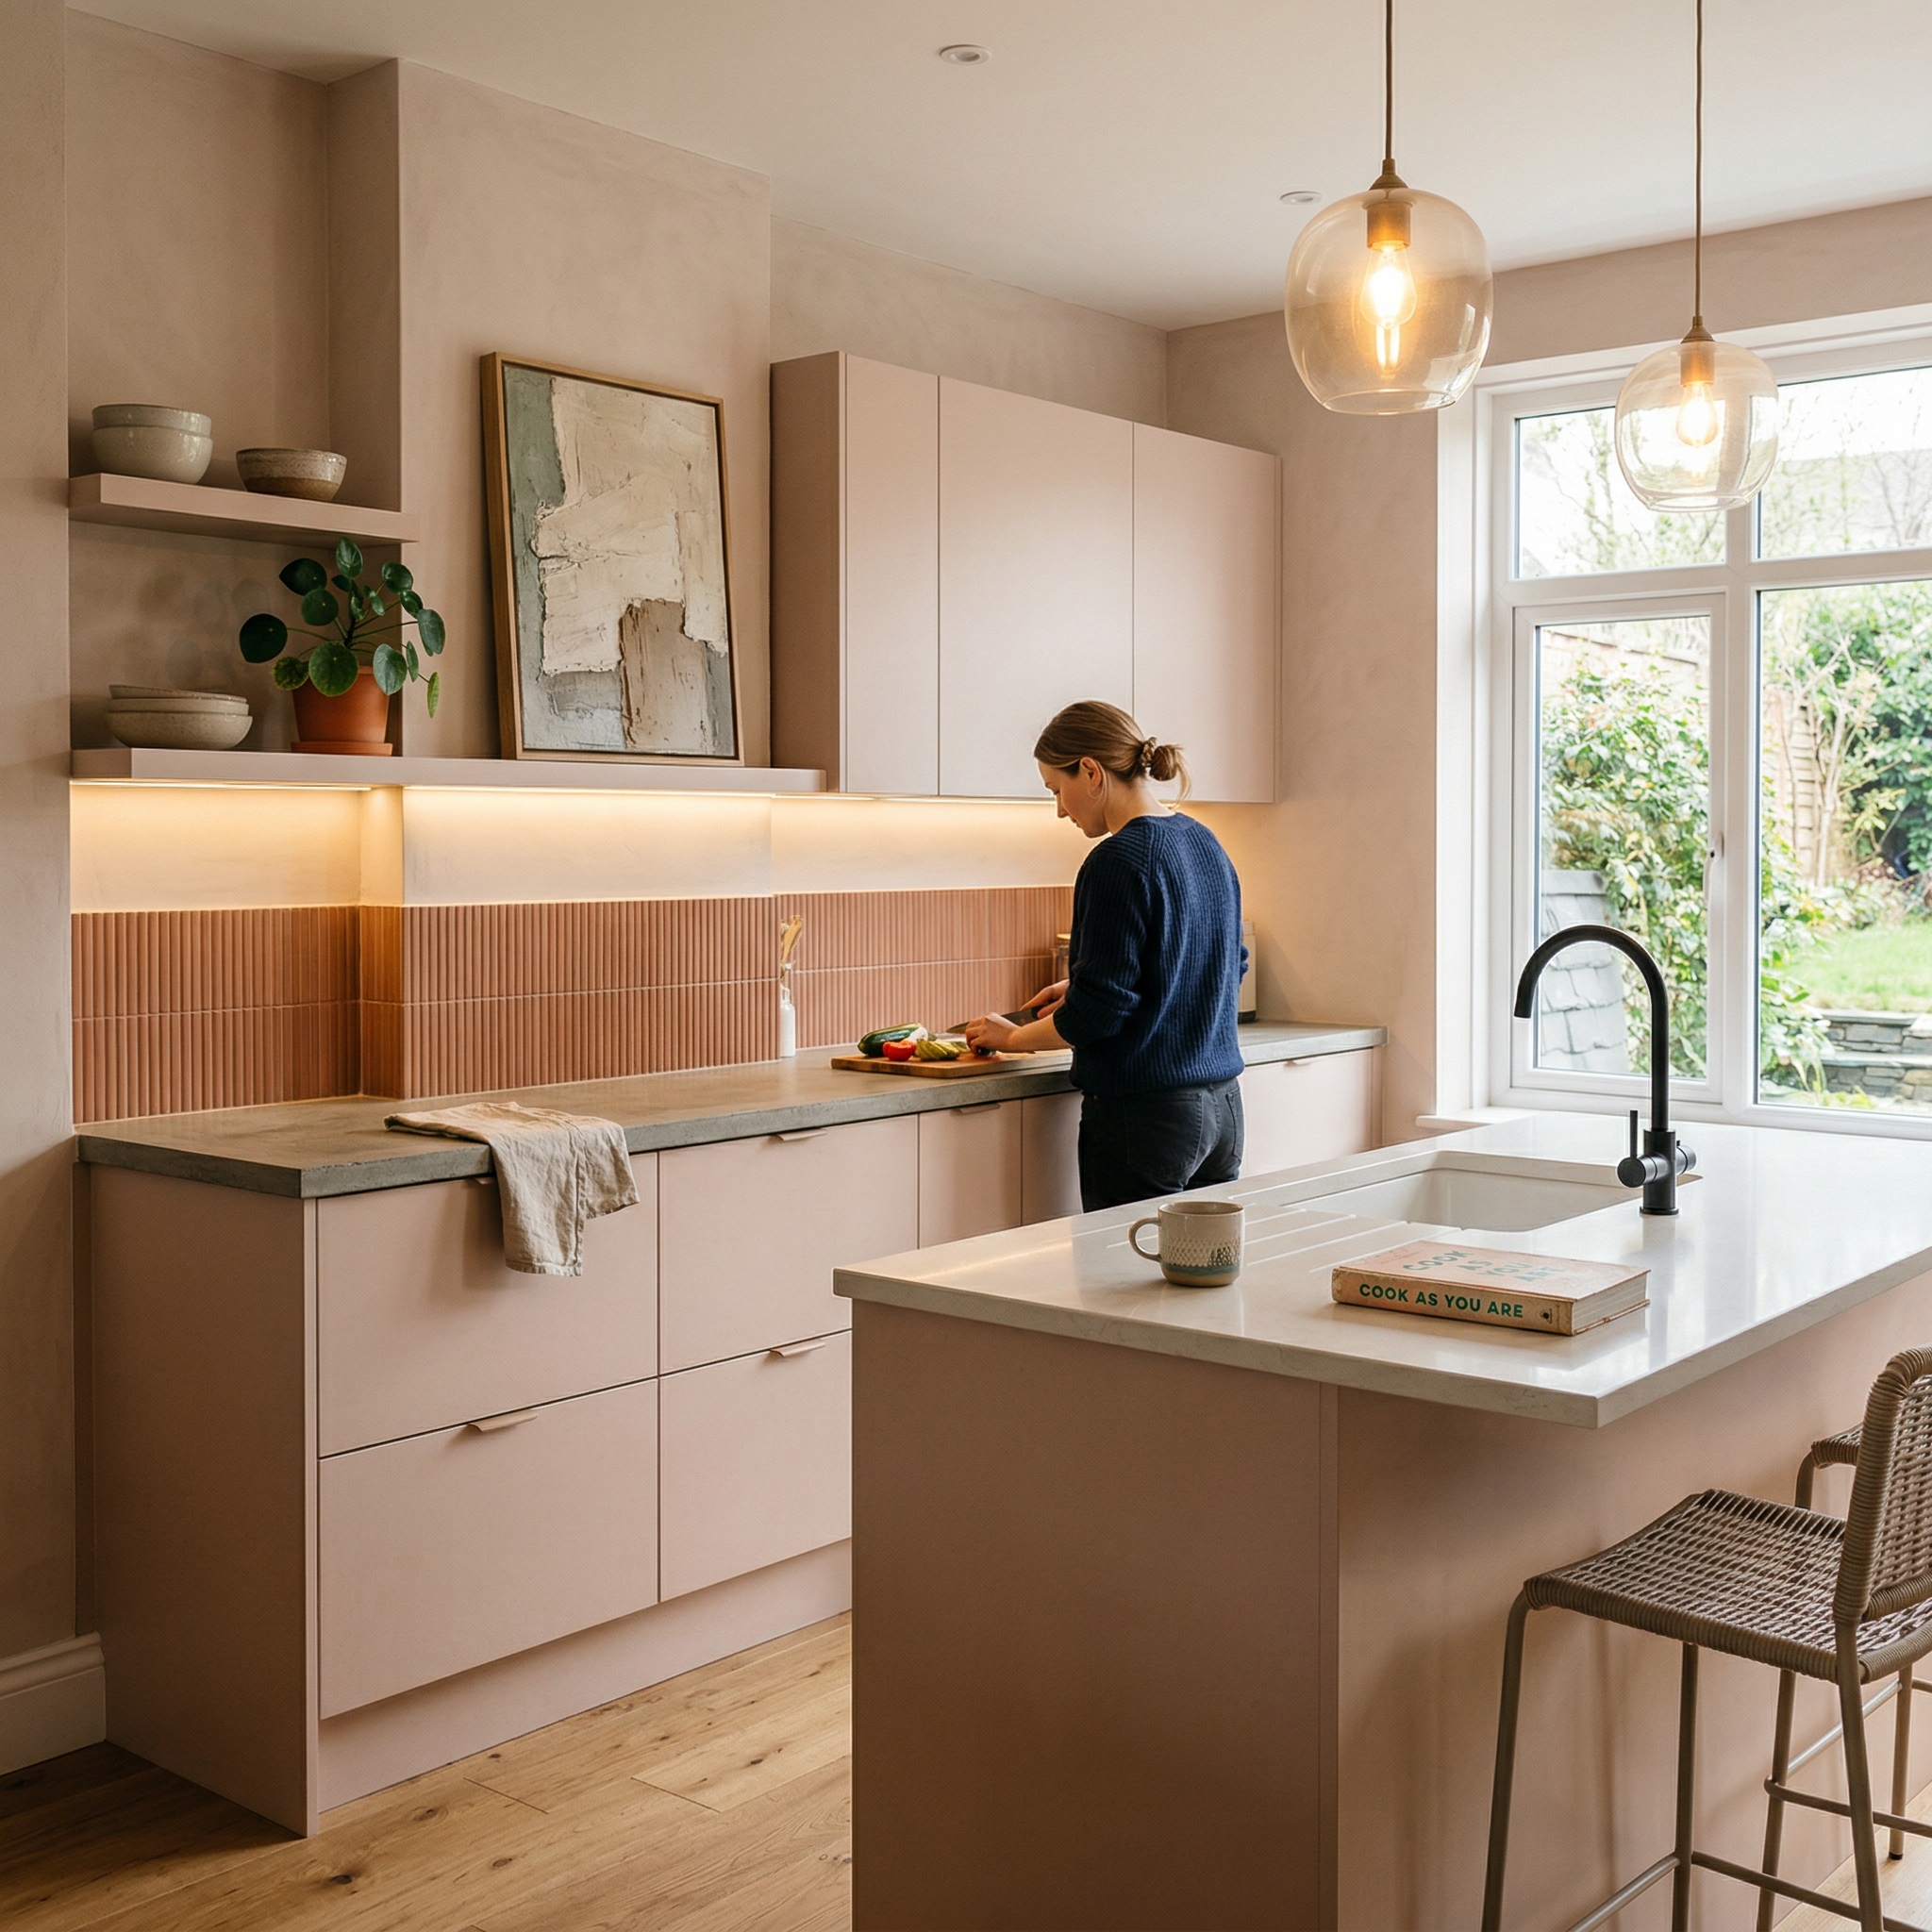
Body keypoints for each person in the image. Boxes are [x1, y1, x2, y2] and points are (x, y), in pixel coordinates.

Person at [964, 701, 1247, 1212]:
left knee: (1122, 1283)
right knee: (1202, 1282)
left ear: (1090, 771)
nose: (1059, 809)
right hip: (1223, 1109)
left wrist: (1016, 1037)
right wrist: (1084, 984)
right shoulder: (1204, 842)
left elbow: (1098, 1014)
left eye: (1057, 789)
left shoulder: (1116, 860)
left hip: (1145, 1118)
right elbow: (1226, 962)